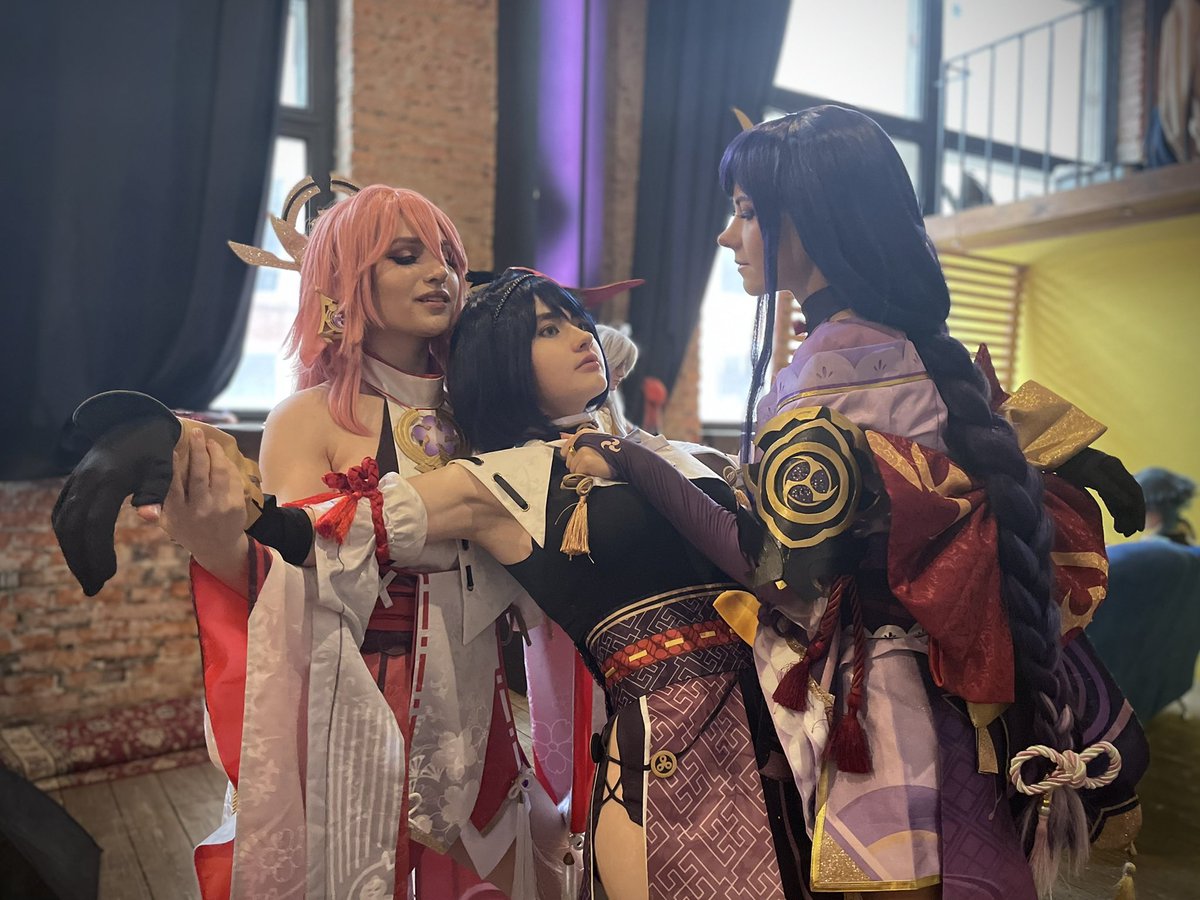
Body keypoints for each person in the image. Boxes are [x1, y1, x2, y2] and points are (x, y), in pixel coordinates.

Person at [564, 106, 1149, 899]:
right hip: (968, 680)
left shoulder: (826, 376)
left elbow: (776, 571)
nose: (727, 237)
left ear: (810, 221)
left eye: (745, 212)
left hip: (886, 698)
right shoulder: (917, 349)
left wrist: (637, 461)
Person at [158, 269, 811, 900]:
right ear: (503, 363)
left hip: (777, 720)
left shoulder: (666, 451)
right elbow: (339, 529)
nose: (580, 337)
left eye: (578, 321)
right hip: (669, 743)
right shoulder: (500, 481)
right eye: (548, 329)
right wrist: (226, 506)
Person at [53, 184, 569, 900]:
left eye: (449, 259)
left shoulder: (485, 409)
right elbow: (284, 569)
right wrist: (210, 519)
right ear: (344, 283)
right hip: (359, 689)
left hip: (479, 693)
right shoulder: (306, 417)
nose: (440, 274)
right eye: (406, 256)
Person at [1088, 467, 1200, 719]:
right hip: (1168, 676)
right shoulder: (1190, 560)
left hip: (1111, 685)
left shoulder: (1134, 563)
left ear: (1153, 513)